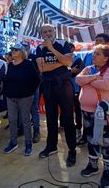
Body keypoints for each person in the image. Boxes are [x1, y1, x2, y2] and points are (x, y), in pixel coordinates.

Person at [76, 44, 109, 187]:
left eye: (98, 54)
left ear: (106, 58)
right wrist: (95, 77)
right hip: (86, 111)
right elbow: (78, 80)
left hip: (102, 112)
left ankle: (107, 171)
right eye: (94, 53)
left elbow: (106, 84)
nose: (94, 56)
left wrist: (89, 80)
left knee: (105, 142)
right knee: (90, 138)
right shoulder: (89, 69)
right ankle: (93, 166)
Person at [35, 24, 76, 167]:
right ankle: (51, 146)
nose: (47, 33)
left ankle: (72, 149)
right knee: (50, 117)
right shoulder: (40, 48)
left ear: (54, 31)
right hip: (48, 85)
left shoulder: (63, 43)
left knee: (67, 118)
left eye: (49, 31)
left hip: (64, 85)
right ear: (42, 34)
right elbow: (41, 68)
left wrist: (52, 49)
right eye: (44, 32)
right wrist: (61, 62)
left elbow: (69, 62)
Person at [80, 33, 109, 139]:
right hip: (88, 102)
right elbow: (80, 76)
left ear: (107, 43)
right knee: (88, 125)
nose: (97, 42)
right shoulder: (88, 55)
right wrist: (90, 79)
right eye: (96, 41)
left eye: (100, 40)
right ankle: (85, 138)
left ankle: (105, 150)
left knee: (104, 132)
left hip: (104, 101)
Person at [2, 44, 40, 156]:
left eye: (16, 50)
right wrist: (7, 93)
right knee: (12, 120)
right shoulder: (9, 65)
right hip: (11, 98)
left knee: (25, 120)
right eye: (12, 50)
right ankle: (13, 142)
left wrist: (30, 93)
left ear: (22, 52)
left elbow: (37, 80)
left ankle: (28, 144)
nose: (13, 52)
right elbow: (6, 80)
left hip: (25, 98)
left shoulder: (28, 64)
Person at [21, 40, 41, 143]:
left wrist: (35, 87)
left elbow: (40, 73)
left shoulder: (34, 57)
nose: (23, 49)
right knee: (23, 110)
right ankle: (22, 130)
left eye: (25, 47)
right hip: (22, 89)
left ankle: (37, 132)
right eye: (22, 47)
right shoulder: (18, 59)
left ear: (29, 48)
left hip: (33, 88)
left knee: (34, 109)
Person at [69, 43, 84, 144]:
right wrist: (70, 70)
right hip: (64, 89)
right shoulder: (61, 59)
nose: (68, 50)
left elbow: (77, 72)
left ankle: (78, 126)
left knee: (77, 109)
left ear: (73, 49)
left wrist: (66, 71)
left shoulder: (78, 59)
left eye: (69, 48)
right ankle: (68, 125)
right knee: (67, 109)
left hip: (76, 88)